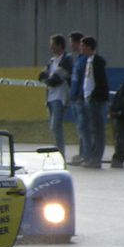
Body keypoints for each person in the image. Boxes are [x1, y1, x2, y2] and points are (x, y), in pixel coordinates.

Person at [37, 34, 73, 159]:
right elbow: (42, 75)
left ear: (59, 45)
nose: (50, 48)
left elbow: (57, 79)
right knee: (53, 127)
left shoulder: (67, 59)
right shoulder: (52, 61)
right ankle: (57, 150)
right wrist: (46, 78)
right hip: (50, 97)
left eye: (52, 45)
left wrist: (48, 79)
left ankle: (60, 153)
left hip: (60, 97)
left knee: (55, 125)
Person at [80, 36, 109, 169]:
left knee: (98, 130)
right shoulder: (88, 61)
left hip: (95, 100)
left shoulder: (97, 62)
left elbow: (101, 82)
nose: (81, 48)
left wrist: (93, 96)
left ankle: (97, 158)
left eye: (83, 46)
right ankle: (92, 156)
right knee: (92, 129)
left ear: (89, 47)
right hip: (88, 98)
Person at [67, 31, 88, 166]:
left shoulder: (85, 60)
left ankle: (86, 154)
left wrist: (80, 95)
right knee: (80, 128)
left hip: (80, 99)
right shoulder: (79, 59)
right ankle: (82, 153)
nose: (70, 45)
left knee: (84, 128)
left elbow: (84, 80)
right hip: (75, 98)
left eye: (71, 42)